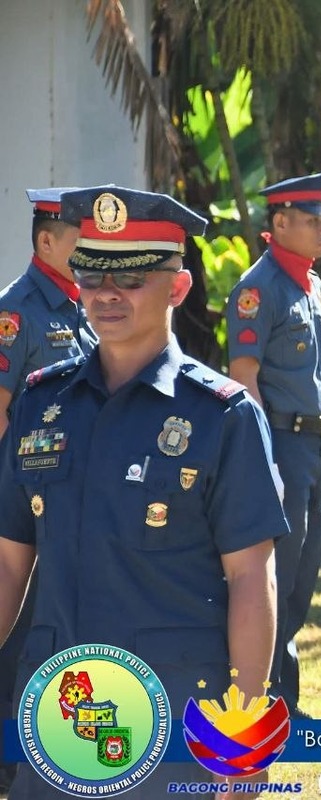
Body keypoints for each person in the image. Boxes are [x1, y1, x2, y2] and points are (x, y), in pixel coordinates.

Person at [0, 186, 285, 799]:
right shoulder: (41, 403)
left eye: (131, 278)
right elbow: (7, 562)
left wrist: (246, 722)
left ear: (177, 289)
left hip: (174, 716)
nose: (106, 293)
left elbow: (250, 576)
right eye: (92, 274)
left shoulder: (222, 416)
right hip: (57, 709)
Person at [226, 172, 321, 718]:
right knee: (278, 572)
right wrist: (262, 457)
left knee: (303, 573)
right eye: (314, 221)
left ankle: (284, 699)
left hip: (313, 447)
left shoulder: (311, 284)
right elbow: (244, 376)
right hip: (281, 446)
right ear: (280, 223)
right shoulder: (258, 288)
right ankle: (264, 697)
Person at [0, 187, 99, 790]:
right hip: (25, 499)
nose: (92, 251)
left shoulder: (83, 305)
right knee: (20, 626)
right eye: (80, 240)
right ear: (46, 241)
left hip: (75, 497)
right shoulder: (17, 311)